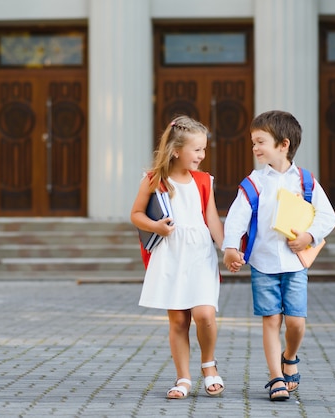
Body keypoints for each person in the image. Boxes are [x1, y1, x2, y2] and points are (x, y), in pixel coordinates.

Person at [222, 110, 335, 401]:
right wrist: (231, 247)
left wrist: (309, 236)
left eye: (260, 141)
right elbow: (237, 217)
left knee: (296, 322)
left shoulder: (306, 182)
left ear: (283, 145)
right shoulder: (255, 182)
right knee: (271, 319)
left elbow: (328, 216)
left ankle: (290, 356)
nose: (255, 148)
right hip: (262, 263)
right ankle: (276, 378)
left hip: (295, 264)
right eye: (253, 142)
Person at [131, 115, 225, 399]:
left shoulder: (204, 181)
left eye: (203, 149)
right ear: (175, 150)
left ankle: (208, 365)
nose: (202, 155)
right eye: (196, 150)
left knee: (205, 314)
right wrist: (156, 226)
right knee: (179, 321)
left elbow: (212, 220)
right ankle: (183, 377)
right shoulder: (154, 180)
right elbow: (135, 214)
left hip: (199, 253)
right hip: (171, 254)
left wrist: (228, 249)